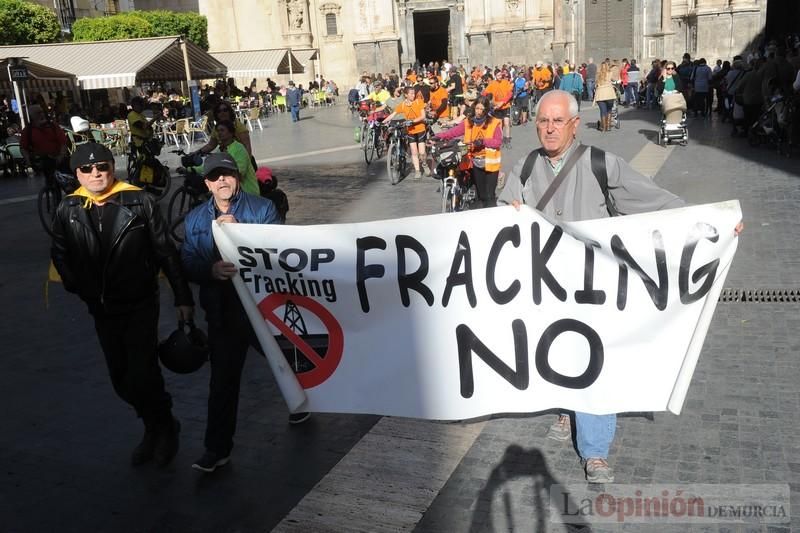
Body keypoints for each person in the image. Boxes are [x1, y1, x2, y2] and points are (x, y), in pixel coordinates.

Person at [497, 90, 743, 483]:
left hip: (595, 287)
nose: (548, 128)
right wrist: (506, 212)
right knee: (557, 352)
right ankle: (564, 407)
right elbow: (499, 218)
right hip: (546, 287)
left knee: (595, 362)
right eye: (543, 120)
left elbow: (655, 201)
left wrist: (712, 226)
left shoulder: (599, 163)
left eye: (557, 121)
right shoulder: (525, 168)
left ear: (575, 125)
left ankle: (595, 451)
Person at [50, 143, 194, 467]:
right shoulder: (68, 208)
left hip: (140, 302)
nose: (95, 173)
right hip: (100, 306)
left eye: (101, 166)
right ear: (77, 174)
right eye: (87, 169)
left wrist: (183, 297)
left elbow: (165, 252)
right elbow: (59, 252)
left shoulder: (139, 200)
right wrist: (77, 285)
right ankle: (155, 424)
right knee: (120, 379)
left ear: (112, 166)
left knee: (142, 373)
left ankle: (164, 427)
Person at [181, 153, 306, 474]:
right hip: (222, 312)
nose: (221, 181)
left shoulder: (261, 209)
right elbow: (188, 263)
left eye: (227, 174)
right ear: (207, 184)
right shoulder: (195, 219)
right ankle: (216, 449)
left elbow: (278, 253)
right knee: (222, 381)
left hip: (261, 307)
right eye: (214, 177)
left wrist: (242, 235)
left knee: (288, 360)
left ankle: (303, 403)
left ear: (237, 177)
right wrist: (211, 269)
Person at [432, 95, 502, 208]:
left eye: (481, 109)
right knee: (481, 194)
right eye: (477, 108)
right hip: (475, 162)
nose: (479, 111)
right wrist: (438, 136)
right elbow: (452, 132)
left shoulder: (494, 123)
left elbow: (497, 142)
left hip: (490, 163)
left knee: (489, 196)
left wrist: (483, 142)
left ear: (486, 110)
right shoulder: (468, 122)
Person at [383, 86, 429, 179]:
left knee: (422, 152)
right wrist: (383, 122)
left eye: (414, 93)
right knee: (414, 151)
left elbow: (423, 116)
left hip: (420, 129)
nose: (413, 95)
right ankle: (417, 171)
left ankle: (424, 163)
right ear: (406, 95)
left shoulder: (418, 102)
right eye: (411, 93)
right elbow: (393, 114)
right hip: (410, 131)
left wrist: (413, 121)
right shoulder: (403, 105)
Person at [19, 104, 68, 179]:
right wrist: (28, 162)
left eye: (42, 112)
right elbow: (23, 148)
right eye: (38, 113)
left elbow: (63, 142)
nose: (41, 115)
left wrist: (61, 156)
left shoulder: (53, 126)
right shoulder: (28, 130)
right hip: (42, 163)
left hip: (58, 160)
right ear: (32, 116)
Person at [482, 69, 514, 146]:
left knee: (506, 123)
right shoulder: (492, 84)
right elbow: (484, 93)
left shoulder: (506, 82)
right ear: (495, 76)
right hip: (497, 107)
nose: (500, 77)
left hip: (505, 106)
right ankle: (501, 139)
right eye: (498, 75)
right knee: (499, 124)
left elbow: (510, 94)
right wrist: (490, 102)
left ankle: (508, 139)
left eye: (501, 75)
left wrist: (503, 102)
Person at [593, 61, 616, 132]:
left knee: (603, 111)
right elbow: (615, 80)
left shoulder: (598, 75)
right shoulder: (610, 73)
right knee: (609, 110)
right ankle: (608, 126)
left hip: (600, 94)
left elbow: (595, 84)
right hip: (609, 93)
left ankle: (603, 128)